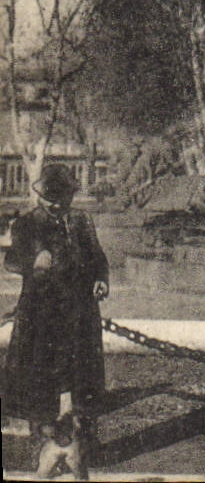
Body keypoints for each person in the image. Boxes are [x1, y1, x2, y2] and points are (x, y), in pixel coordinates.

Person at [4, 163, 110, 469]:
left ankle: (85, 445)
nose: (57, 204)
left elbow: (97, 258)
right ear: (41, 196)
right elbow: (11, 261)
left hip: (80, 314)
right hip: (40, 316)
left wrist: (101, 279)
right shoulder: (26, 224)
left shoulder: (81, 221)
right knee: (38, 380)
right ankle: (41, 445)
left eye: (63, 197)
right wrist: (32, 261)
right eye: (51, 198)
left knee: (83, 379)